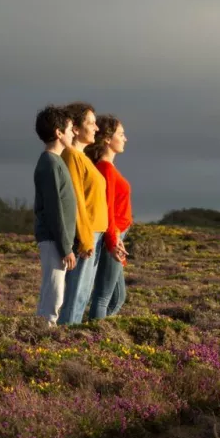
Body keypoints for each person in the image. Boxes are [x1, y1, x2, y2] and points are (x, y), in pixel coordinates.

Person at [58, 101, 108, 324]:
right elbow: (75, 199)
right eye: (91, 123)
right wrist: (86, 239)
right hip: (85, 236)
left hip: (94, 234)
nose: (96, 128)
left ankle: (69, 342)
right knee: (75, 296)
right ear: (75, 128)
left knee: (82, 296)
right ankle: (64, 343)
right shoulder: (71, 156)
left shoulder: (83, 157)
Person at [32, 106, 78, 326]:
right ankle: (44, 333)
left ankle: (43, 330)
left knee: (54, 290)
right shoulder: (50, 164)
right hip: (53, 239)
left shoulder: (56, 162)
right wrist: (66, 248)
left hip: (56, 239)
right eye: (69, 129)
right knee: (54, 293)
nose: (73, 133)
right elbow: (53, 209)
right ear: (59, 133)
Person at [86, 115, 132, 320]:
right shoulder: (105, 168)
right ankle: (94, 336)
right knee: (103, 297)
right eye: (121, 134)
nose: (125, 139)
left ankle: (95, 333)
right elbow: (107, 209)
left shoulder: (108, 168)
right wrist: (113, 241)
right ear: (106, 139)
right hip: (112, 236)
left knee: (118, 297)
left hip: (116, 235)